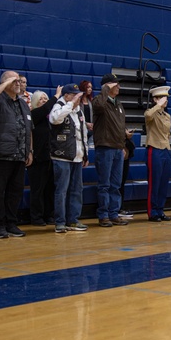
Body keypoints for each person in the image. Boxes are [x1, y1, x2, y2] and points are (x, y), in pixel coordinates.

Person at [0, 71, 33, 239]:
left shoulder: (23, 104)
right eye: (15, 81)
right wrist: (5, 84)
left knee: (15, 192)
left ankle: (11, 223)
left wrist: (29, 150)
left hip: (19, 155)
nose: (18, 83)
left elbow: (29, 129)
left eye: (20, 81)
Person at [92, 73, 130, 227]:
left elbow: (120, 127)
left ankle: (114, 213)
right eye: (115, 84)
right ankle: (103, 215)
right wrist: (105, 91)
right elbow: (98, 107)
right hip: (105, 147)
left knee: (116, 184)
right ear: (107, 86)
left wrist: (123, 145)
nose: (119, 87)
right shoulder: (99, 100)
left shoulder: (118, 104)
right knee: (105, 184)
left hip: (117, 148)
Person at [50, 83, 89, 233]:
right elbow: (55, 119)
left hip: (77, 157)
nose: (78, 98)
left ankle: (73, 220)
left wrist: (85, 153)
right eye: (75, 95)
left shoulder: (79, 111)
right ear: (66, 96)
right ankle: (60, 222)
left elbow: (83, 133)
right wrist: (70, 105)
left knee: (76, 190)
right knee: (61, 191)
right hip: (62, 157)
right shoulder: (58, 106)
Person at [29, 89, 58, 226]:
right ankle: (36, 216)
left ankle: (49, 214)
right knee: (38, 189)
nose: (45, 101)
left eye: (46, 98)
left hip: (50, 157)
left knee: (50, 188)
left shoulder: (51, 118)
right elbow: (46, 108)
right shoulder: (34, 114)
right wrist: (56, 97)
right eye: (41, 98)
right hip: (37, 157)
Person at [144, 85, 171, 222]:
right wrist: (157, 105)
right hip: (154, 149)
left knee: (163, 182)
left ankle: (160, 209)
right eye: (161, 97)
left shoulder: (167, 115)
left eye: (166, 98)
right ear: (155, 99)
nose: (165, 100)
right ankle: (152, 212)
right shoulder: (151, 113)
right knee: (154, 182)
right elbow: (148, 115)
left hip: (166, 149)